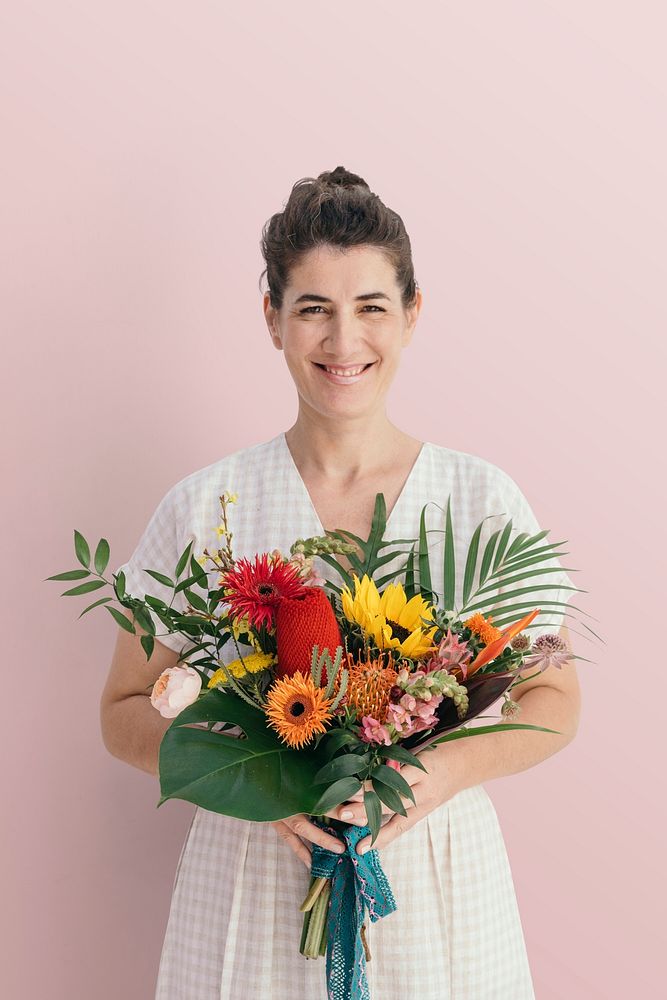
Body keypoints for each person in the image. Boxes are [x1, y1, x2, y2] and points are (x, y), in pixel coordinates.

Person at [100, 166, 581, 999]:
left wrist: (440, 775)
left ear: (412, 314)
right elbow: (121, 712)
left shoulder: (479, 500)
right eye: (313, 309)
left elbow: (555, 702)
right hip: (251, 883)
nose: (342, 341)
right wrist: (256, 786)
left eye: (370, 308)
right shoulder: (208, 506)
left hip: (433, 875)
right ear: (273, 321)